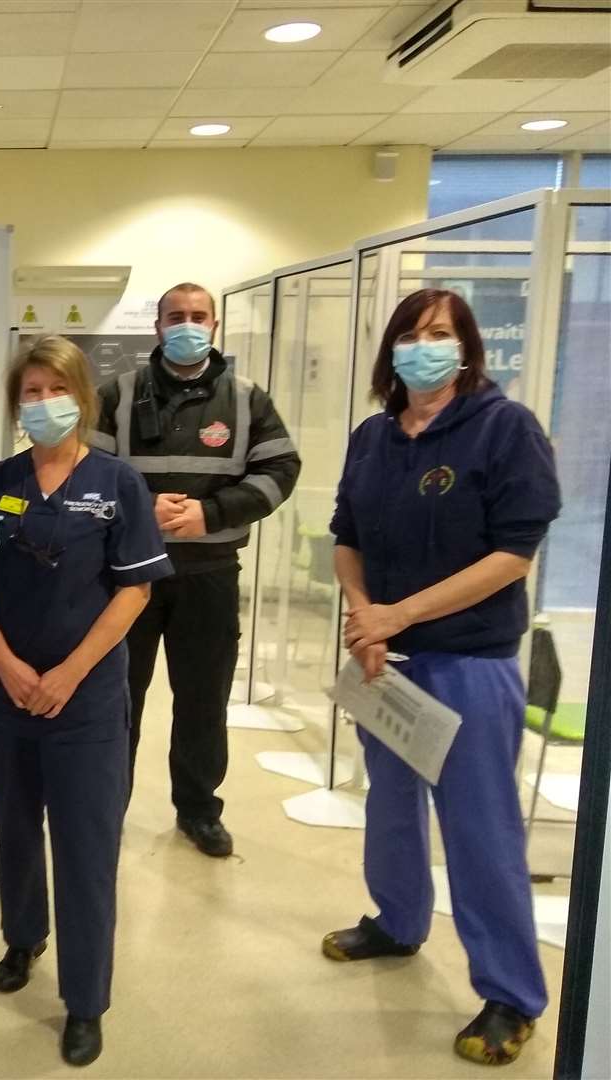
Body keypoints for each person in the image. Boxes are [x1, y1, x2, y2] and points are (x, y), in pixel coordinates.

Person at [324, 289, 560, 1066]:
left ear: (466, 348)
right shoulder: (374, 437)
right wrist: (365, 617)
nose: (423, 347)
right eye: (410, 335)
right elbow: (347, 538)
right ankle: (397, 923)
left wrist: (399, 615)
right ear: (390, 349)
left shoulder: (504, 430)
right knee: (389, 806)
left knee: (479, 829)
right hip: (385, 661)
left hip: (468, 661)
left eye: (439, 335)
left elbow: (512, 556)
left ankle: (509, 994)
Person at [0, 336, 171, 1067]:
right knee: (15, 830)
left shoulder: (118, 485)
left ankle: (85, 1001)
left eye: (57, 389)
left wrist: (68, 674)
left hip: (84, 703)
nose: (44, 403)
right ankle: (22, 938)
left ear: (83, 397)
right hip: (6, 694)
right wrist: (9, 665)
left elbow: (134, 591)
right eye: (32, 390)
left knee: (84, 848)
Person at [93, 282, 301, 857]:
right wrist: (140, 508)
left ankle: (198, 809)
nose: (187, 325)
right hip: (129, 574)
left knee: (203, 699)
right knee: (118, 697)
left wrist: (210, 513)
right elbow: (87, 470)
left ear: (214, 325)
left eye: (198, 316)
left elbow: (280, 468)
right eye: (175, 316)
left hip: (210, 570)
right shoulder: (116, 393)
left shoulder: (247, 398)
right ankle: (107, 806)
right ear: (157, 326)